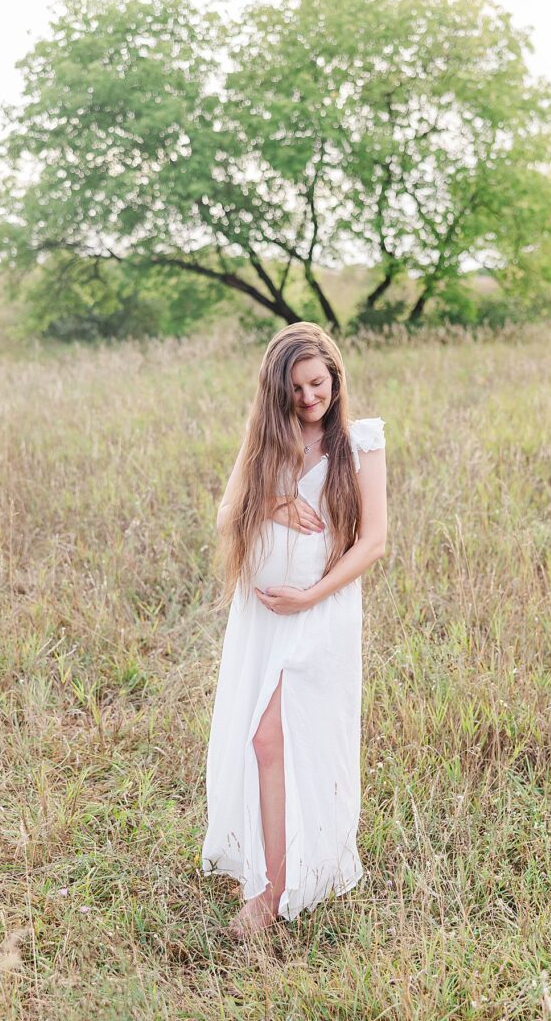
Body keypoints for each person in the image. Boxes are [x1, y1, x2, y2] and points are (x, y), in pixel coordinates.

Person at [201, 321, 387, 939]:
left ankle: (274, 893)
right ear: (275, 392)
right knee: (262, 741)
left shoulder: (360, 443)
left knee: (273, 737)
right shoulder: (266, 444)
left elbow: (374, 542)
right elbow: (227, 514)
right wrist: (274, 502)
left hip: (321, 611)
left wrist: (309, 595)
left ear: (335, 375)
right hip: (260, 617)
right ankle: (270, 865)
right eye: (295, 389)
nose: (309, 398)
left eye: (317, 383)